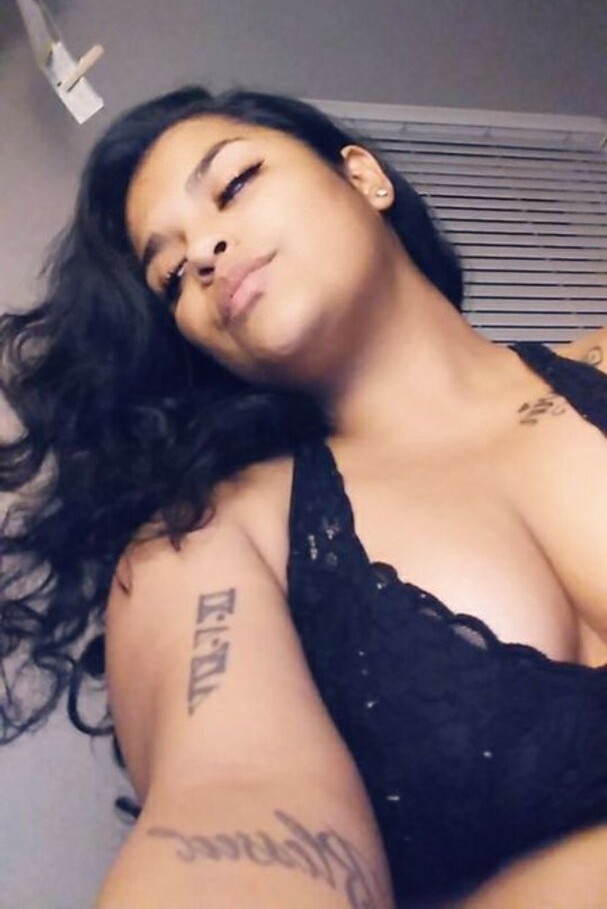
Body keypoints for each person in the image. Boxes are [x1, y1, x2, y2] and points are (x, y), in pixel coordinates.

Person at [1, 85, 606, 909]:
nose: (204, 252)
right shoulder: (207, 537)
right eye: (170, 275)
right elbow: (230, 798)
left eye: (234, 184)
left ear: (363, 177)